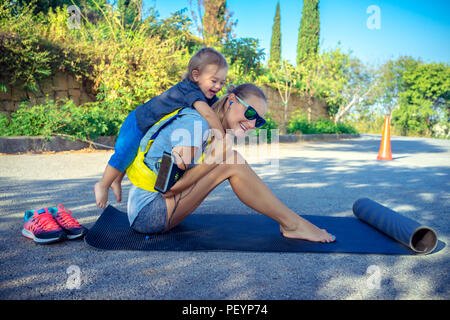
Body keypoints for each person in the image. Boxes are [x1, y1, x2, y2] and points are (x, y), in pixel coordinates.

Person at [127, 83, 336, 243]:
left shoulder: (209, 128)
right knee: (231, 160)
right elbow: (165, 188)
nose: (253, 124)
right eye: (251, 113)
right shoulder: (195, 123)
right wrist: (213, 161)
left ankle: (292, 223)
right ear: (231, 101)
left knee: (230, 158)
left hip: (156, 210)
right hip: (147, 214)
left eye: (259, 121)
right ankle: (293, 224)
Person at [94, 47, 228, 209]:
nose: (218, 86)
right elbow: (208, 115)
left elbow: (217, 111)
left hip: (150, 126)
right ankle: (103, 184)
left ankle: (116, 180)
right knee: (124, 155)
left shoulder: (207, 94)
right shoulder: (190, 90)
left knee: (130, 155)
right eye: (214, 81)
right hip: (139, 121)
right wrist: (222, 137)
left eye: (222, 82)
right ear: (196, 75)